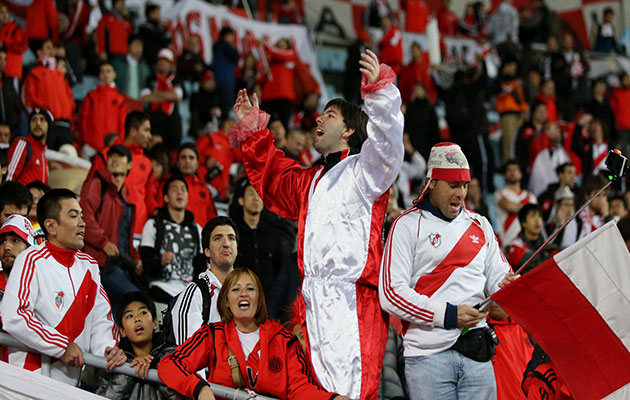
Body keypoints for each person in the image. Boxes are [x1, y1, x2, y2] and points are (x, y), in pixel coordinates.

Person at [231, 49, 403, 399]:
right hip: (313, 302)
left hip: (352, 302)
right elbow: (273, 177)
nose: (318, 120)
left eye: (329, 115)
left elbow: (387, 145)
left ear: (349, 130)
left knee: (349, 393)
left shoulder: (364, 171)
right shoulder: (310, 180)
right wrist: (253, 133)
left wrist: (380, 94)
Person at [379, 142, 515, 400]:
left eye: (464, 185)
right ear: (431, 183)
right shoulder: (406, 225)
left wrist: (507, 286)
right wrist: (449, 315)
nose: (461, 193)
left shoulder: (481, 224)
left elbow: (498, 276)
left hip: (478, 353)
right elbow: (391, 294)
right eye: (453, 185)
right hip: (427, 358)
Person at [158, 268, 350, 400]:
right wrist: (199, 388)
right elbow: (170, 365)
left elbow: (300, 389)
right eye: (236, 289)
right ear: (226, 301)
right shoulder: (212, 335)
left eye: (250, 288)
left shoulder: (285, 341)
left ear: (258, 301)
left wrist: (332, 398)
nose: (244, 293)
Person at [0, 189, 127, 385]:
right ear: (51, 226)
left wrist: (108, 349)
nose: (82, 223)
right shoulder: (31, 259)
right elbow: (15, 315)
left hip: (70, 384)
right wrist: (61, 346)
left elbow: (101, 318)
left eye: (82, 216)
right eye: (73, 216)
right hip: (28, 380)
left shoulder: (89, 265)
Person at [80, 144, 140, 308]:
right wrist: (103, 242)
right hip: (100, 265)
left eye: (120, 157)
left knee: (114, 321)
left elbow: (124, 236)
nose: (114, 159)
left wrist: (135, 258)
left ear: (129, 165)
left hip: (122, 266)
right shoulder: (97, 184)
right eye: (111, 156)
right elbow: (84, 217)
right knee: (138, 301)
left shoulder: (127, 199)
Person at [95, 291, 185, 399]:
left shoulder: (172, 354)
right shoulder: (114, 360)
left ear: (155, 323)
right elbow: (102, 396)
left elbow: (179, 396)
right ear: (122, 331)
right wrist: (127, 369)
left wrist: (155, 365)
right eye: (130, 316)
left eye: (143, 313)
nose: (137, 318)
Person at [87, 111, 158, 235]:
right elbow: (90, 190)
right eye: (146, 130)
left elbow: (150, 198)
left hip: (137, 230)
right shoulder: (105, 155)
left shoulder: (147, 163)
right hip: (106, 228)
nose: (150, 136)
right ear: (133, 131)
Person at [169, 216, 238, 345]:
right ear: (207, 251)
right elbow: (189, 357)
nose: (226, 244)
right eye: (218, 238)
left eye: (231, 238)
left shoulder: (249, 291)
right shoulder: (194, 293)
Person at [140, 175, 202, 303]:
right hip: (160, 290)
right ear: (166, 198)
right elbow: (146, 264)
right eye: (174, 189)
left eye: (183, 189)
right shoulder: (152, 225)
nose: (180, 192)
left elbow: (201, 266)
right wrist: (160, 262)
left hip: (190, 294)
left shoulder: (197, 229)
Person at [229, 178, 292, 298]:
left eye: (259, 194)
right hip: (239, 302)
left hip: (267, 303)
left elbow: (282, 272)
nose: (256, 198)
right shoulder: (232, 235)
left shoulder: (273, 235)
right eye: (251, 193)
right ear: (241, 200)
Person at [22, 39, 75, 150]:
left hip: (65, 124)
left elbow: (69, 97)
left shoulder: (60, 74)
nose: (51, 51)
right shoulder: (34, 73)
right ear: (39, 52)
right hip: (48, 125)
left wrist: (69, 114)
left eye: (52, 48)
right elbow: (28, 98)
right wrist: (45, 113)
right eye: (47, 47)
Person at [0, 215, 35, 366]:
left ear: (29, 248)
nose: (6, 246)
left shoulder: (41, 285)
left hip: (26, 373)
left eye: (15, 240)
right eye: (2, 241)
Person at [78, 62, 127, 159]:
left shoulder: (120, 100)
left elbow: (122, 124)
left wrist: (120, 143)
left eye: (108, 71)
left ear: (114, 74)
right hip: (90, 146)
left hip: (112, 147)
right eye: (102, 72)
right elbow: (83, 119)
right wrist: (85, 141)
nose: (105, 74)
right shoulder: (91, 96)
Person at [141, 48, 184, 150]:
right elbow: (146, 98)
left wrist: (156, 94)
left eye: (165, 61)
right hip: (153, 121)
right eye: (160, 61)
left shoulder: (176, 78)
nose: (162, 64)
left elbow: (176, 96)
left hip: (172, 123)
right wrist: (168, 95)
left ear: (170, 64)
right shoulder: (151, 78)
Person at [167, 143, 218, 226]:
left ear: (197, 164)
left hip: (200, 236)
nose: (187, 161)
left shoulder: (204, 189)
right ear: (177, 163)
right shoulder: (167, 184)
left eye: (191, 158)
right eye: (183, 157)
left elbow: (212, 218)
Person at [495, 160, 537, 249]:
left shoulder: (530, 196)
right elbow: (510, 207)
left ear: (521, 174)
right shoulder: (500, 193)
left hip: (528, 244)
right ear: (504, 175)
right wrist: (529, 209)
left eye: (515, 170)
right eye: (509, 170)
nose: (512, 172)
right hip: (507, 242)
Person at [6, 109, 51, 185]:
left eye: (42, 120)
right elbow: (9, 177)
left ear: (49, 125)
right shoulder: (23, 144)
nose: (38, 123)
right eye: (34, 120)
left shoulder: (43, 154)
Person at [113, 35, 152, 100]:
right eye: (136, 44)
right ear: (129, 46)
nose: (138, 48)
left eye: (140, 46)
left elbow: (147, 84)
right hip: (121, 101)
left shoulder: (145, 66)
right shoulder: (118, 63)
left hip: (138, 102)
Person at [0, 6, 27, 81]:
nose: (5, 15)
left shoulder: (16, 29)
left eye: (7, 12)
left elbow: (23, 46)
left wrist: (5, 45)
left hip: (12, 72)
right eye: (2, 12)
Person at [0, 49, 21, 133]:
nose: (3, 62)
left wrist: (13, 124)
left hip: (10, 130)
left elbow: (16, 105)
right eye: (0, 58)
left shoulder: (9, 82)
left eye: (5, 59)